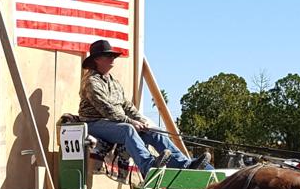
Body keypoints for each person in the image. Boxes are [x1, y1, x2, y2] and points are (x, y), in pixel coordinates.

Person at [78, 39, 210, 178]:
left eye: (113, 56)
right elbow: (106, 109)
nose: (112, 58)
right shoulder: (91, 82)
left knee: (154, 131)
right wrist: (131, 122)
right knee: (127, 129)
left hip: (114, 124)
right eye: (108, 55)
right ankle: (148, 166)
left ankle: (184, 165)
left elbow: (127, 105)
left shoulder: (114, 82)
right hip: (94, 124)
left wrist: (141, 120)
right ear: (97, 59)